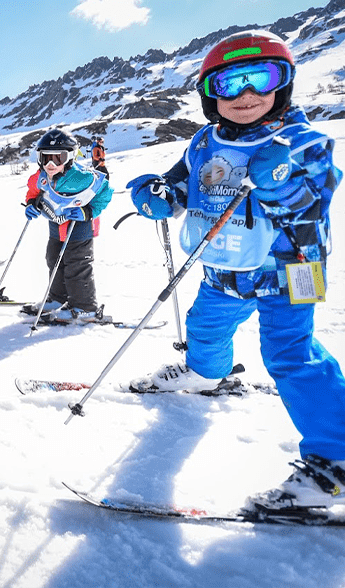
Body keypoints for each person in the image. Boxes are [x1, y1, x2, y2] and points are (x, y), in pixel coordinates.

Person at [127, 30, 345, 511]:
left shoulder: (304, 143)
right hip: (224, 267)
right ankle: (206, 376)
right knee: (205, 326)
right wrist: (159, 194)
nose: (246, 95)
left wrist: (280, 184)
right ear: (210, 93)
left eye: (262, 78)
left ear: (283, 85)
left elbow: (314, 209)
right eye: (230, 83)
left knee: (291, 354)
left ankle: (338, 461)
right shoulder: (205, 140)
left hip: (293, 271)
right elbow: (183, 186)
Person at [22, 128, 113, 321]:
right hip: (56, 224)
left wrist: (88, 212)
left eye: (58, 158)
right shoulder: (40, 177)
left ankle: (84, 306)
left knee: (77, 264)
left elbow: (105, 192)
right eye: (45, 158)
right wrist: (32, 204)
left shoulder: (83, 177)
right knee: (53, 258)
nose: (51, 164)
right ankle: (57, 298)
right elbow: (32, 191)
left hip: (79, 226)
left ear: (70, 157)